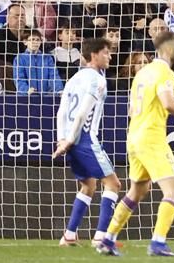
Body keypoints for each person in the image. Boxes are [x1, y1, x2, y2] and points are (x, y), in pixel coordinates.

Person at [96, 31, 174, 258]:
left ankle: (107, 239)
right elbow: (168, 103)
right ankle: (158, 242)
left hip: (134, 136)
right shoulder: (164, 72)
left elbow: (132, 110)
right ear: (168, 49)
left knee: (137, 190)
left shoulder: (142, 72)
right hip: (151, 137)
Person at [50, 37, 122, 250]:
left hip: (70, 139)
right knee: (113, 184)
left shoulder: (74, 78)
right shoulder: (97, 80)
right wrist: (70, 139)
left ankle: (69, 235)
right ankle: (101, 237)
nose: (110, 56)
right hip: (84, 139)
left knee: (88, 184)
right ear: (94, 55)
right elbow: (82, 113)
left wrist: (61, 139)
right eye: (106, 53)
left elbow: (62, 111)